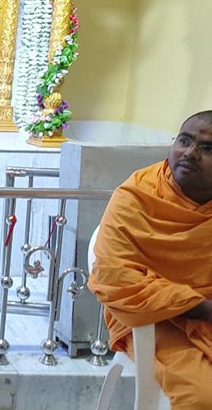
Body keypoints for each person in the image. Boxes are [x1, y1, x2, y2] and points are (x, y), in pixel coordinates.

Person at [89, 110, 212, 409]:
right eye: (184, 141)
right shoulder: (137, 194)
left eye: (208, 148)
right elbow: (114, 277)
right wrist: (200, 307)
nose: (190, 154)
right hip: (151, 317)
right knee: (202, 396)